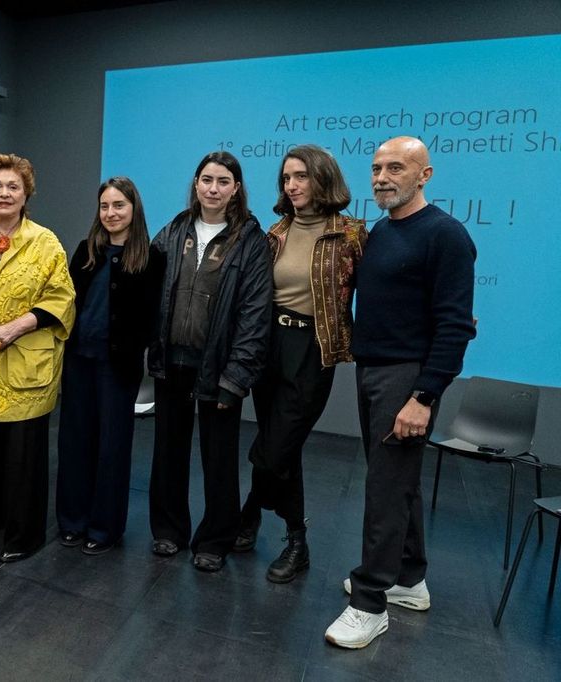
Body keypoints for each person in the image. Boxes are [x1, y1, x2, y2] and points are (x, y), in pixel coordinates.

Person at [325, 136, 476, 648]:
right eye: (375, 168)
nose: (382, 177)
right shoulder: (380, 233)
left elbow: (456, 326)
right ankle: (408, 580)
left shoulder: (446, 235)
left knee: (385, 490)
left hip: (406, 378)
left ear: (424, 175)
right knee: (397, 480)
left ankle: (369, 603)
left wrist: (424, 396)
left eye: (396, 167)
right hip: (372, 371)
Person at [234, 145, 367, 583]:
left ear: (322, 178)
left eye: (301, 177)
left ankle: (279, 528)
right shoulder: (274, 234)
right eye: (286, 178)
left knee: (277, 446)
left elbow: (381, 292)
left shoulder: (350, 235)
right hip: (269, 342)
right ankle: (285, 534)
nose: (291, 185)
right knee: (278, 441)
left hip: (313, 347)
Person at [148, 151, 272, 572]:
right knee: (168, 450)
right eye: (206, 180)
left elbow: (255, 314)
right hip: (172, 361)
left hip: (219, 366)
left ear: (236, 188)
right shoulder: (175, 229)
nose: (213, 188)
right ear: (196, 184)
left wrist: (237, 376)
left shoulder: (251, 241)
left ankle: (215, 538)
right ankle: (168, 531)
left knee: (219, 458)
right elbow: (149, 286)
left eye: (222, 181)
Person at [0, 153, 75, 563]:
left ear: (26, 195)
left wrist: (18, 325)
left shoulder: (46, 242)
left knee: (25, 457)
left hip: (25, 361)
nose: (4, 194)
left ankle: (24, 535)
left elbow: (62, 298)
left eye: (13, 187)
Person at [55, 177, 163, 556]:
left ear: (134, 209)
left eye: (119, 205)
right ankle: (72, 521)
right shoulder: (86, 251)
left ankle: (103, 528)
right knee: (74, 442)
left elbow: (152, 320)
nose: (111, 213)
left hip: (118, 367)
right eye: (105, 206)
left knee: (111, 449)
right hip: (79, 361)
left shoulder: (151, 258)